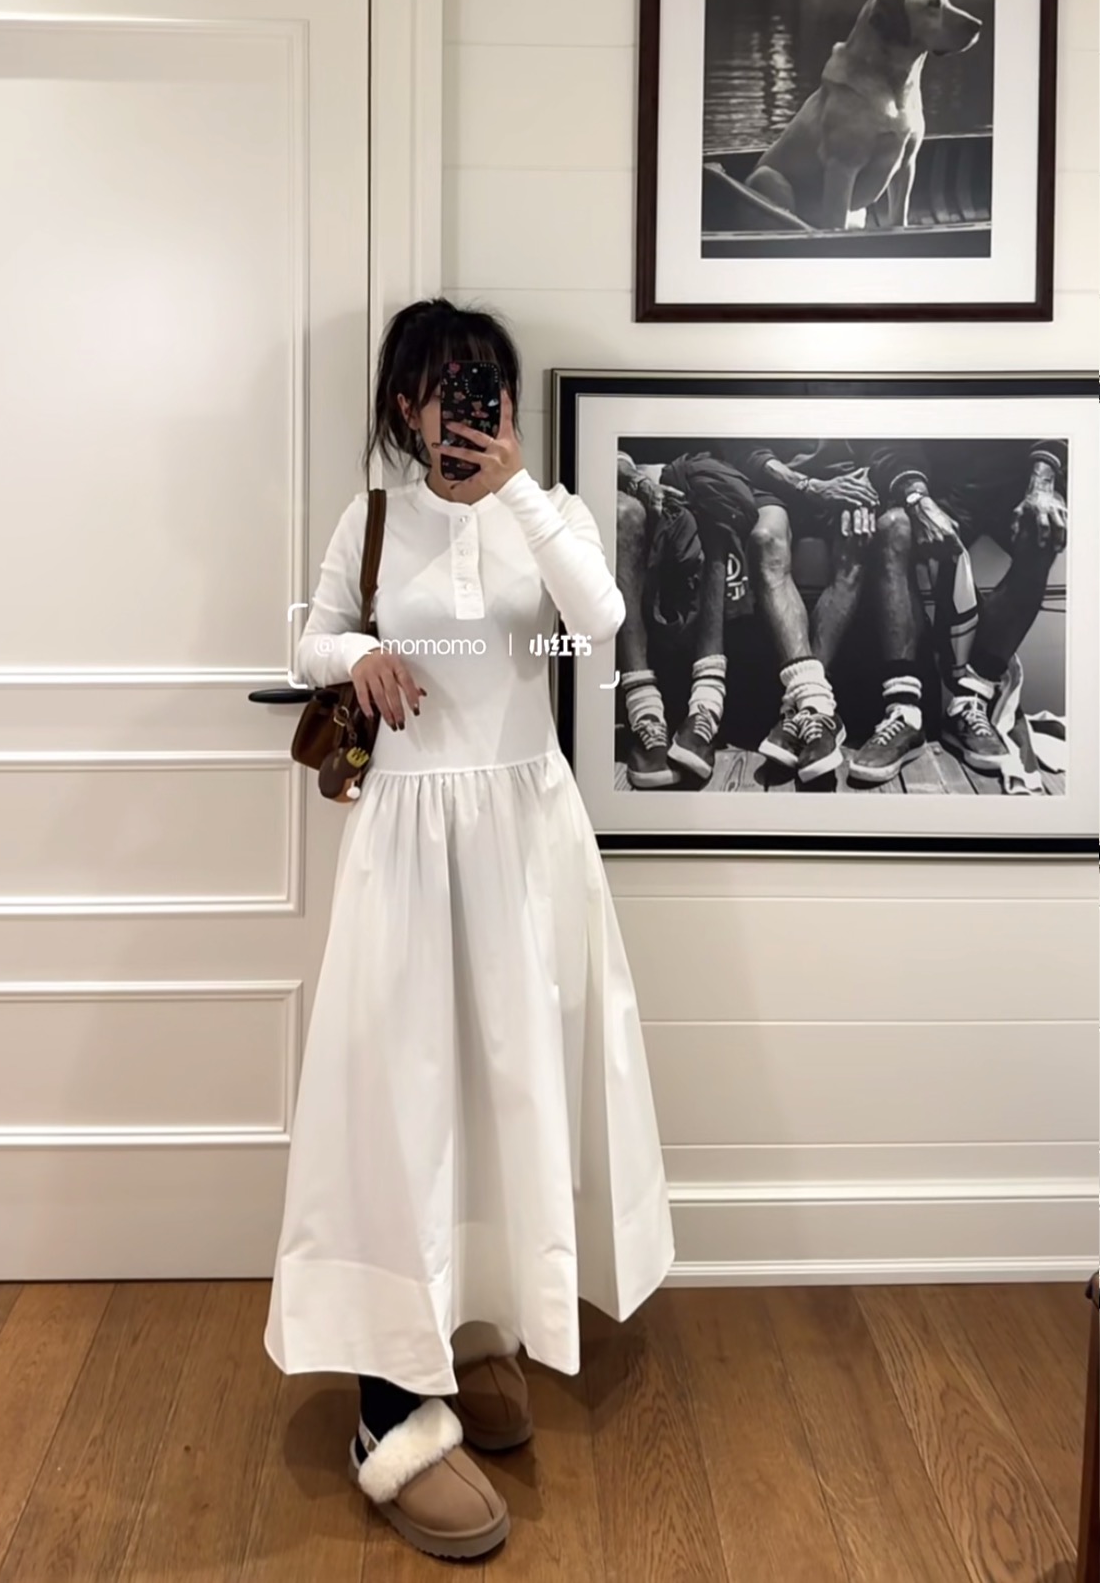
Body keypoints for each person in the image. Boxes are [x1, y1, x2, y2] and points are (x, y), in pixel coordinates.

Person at [263, 299, 675, 1562]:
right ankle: (385, 1409)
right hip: (407, 842)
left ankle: (476, 1326)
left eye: (486, 382)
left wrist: (517, 493)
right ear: (405, 404)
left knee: (510, 1093)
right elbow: (306, 632)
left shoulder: (546, 512)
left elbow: (598, 622)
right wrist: (357, 656)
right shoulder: (371, 519)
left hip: (525, 841)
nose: (470, 405)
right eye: (447, 385)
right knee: (400, 1103)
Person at [864, 437, 1068, 775]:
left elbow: (1059, 417)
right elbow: (891, 439)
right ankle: (904, 710)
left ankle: (971, 701)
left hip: (1019, 483)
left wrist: (1044, 484)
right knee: (892, 527)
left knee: (1042, 526)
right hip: (940, 488)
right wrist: (917, 498)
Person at [727, 439, 879, 782]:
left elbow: (883, 441)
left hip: (844, 479)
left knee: (856, 541)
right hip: (774, 483)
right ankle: (818, 706)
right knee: (765, 538)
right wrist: (807, 485)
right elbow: (745, 448)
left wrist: (865, 484)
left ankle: (805, 708)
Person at [614, 451, 730, 786]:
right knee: (625, 514)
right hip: (627, 475)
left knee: (716, 500)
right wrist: (639, 480)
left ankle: (706, 707)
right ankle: (645, 712)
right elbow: (601, 449)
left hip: (691, 472)